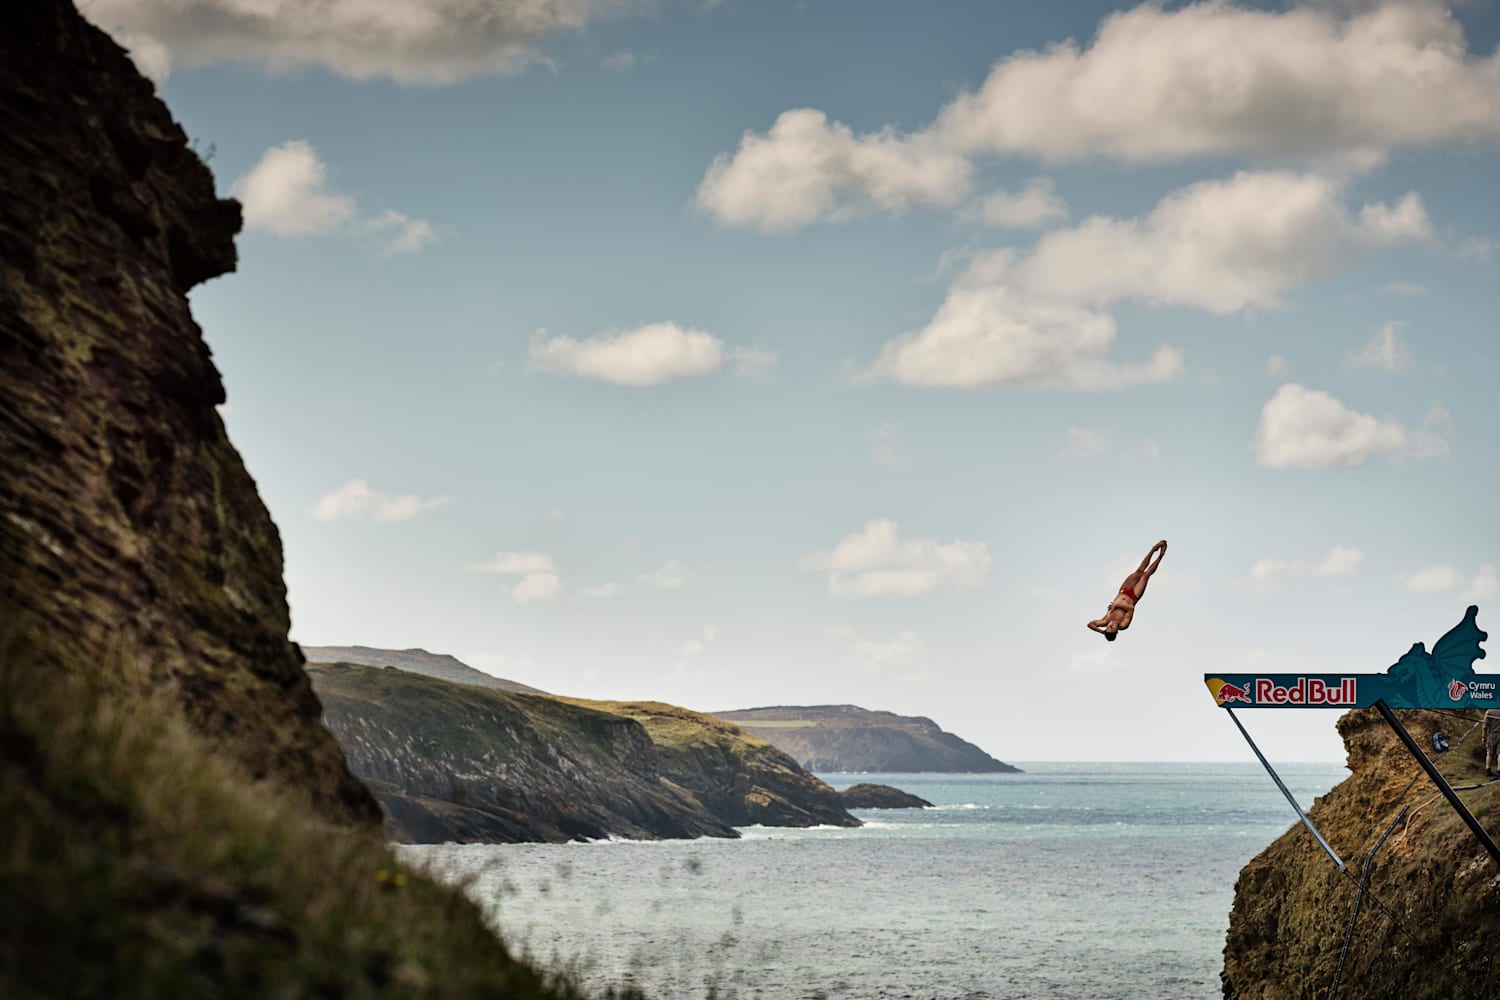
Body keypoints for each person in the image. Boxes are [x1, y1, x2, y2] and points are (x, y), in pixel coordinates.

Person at [1087, 540, 1167, 642]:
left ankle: (1153, 549)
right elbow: (1131, 609)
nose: (1111, 625)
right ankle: (1161, 555)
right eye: (1112, 628)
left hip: (1123, 591)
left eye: (1108, 627)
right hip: (1134, 596)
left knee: (1139, 571)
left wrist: (1102, 632)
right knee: (1145, 576)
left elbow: (1090, 624)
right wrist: (1117, 605)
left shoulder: (1105, 621)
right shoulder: (1123, 625)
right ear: (1116, 631)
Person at [1484, 708, 1500, 778]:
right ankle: (1499, 770)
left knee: (1489, 753)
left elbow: (1485, 726)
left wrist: (1483, 737)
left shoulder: (1489, 711)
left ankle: (1487, 769)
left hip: (1491, 734)